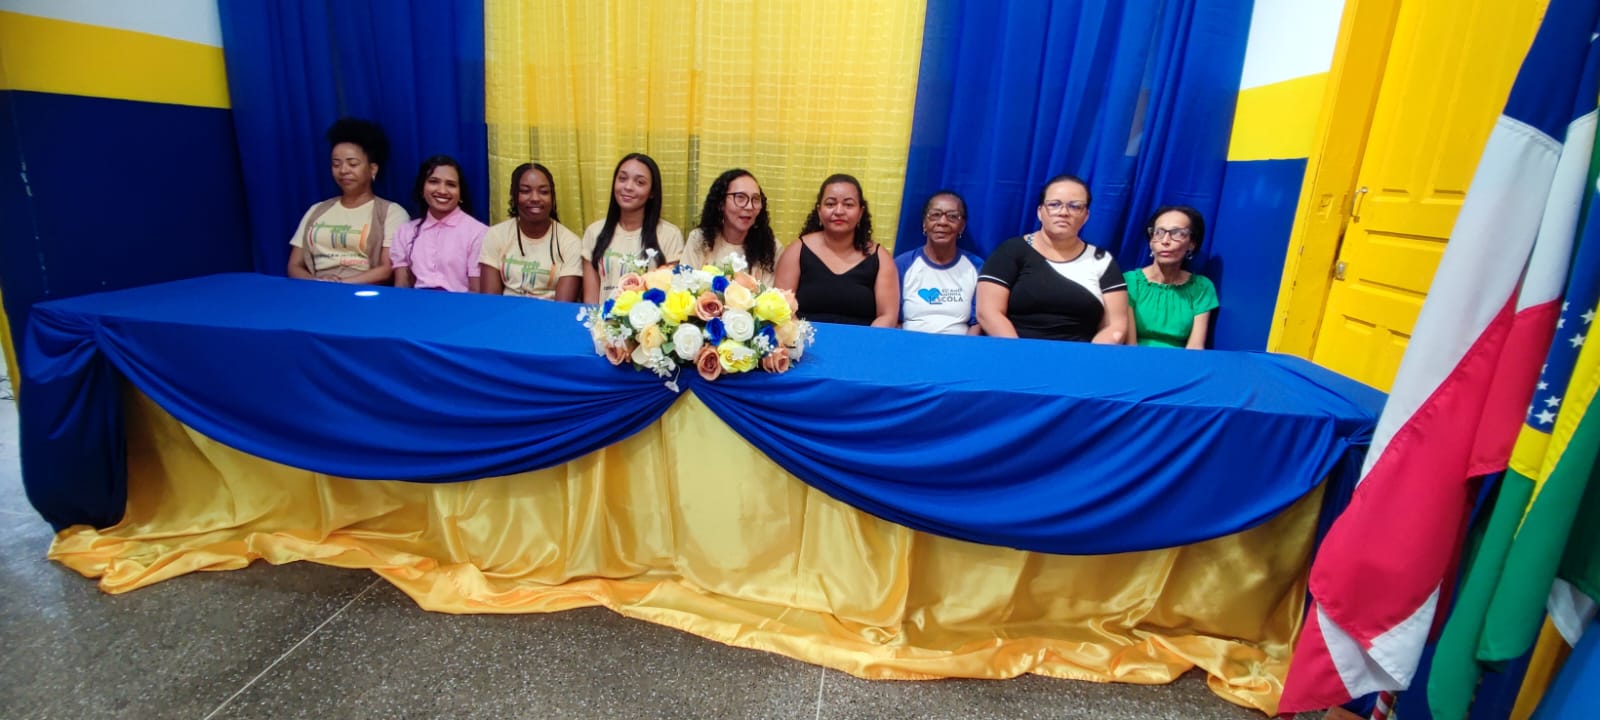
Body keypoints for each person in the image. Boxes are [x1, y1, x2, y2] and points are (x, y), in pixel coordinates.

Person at [976, 174, 1130, 343]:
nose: (1063, 212)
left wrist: (1090, 356)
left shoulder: (1101, 260)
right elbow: (988, 312)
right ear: (1040, 212)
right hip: (1015, 351)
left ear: (1086, 216)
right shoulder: (1010, 251)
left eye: (1075, 206)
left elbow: (1115, 325)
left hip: (1080, 355)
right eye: (1054, 205)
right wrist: (1019, 351)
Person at [287, 118, 410, 283]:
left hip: (363, 291)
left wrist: (340, 285)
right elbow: (294, 265)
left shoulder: (391, 213)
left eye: (352, 164)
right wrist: (318, 283)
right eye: (336, 164)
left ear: (373, 169)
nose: (343, 170)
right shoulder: (316, 210)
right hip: (316, 289)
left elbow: (386, 269)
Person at [774, 174, 899, 327]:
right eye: (830, 204)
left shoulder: (880, 257)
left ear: (860, 212)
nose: (839, 211)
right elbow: (781, 307)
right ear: (819, 211)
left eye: (848, 205)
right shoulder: (796, 251)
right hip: (804, 339)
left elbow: (887, 316)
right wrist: (800, 337)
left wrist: (865, 340)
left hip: (862, 340)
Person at [582, 153, 685, 303]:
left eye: (640, 182)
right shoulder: (594, 232)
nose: (628, 187)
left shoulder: (670, 235)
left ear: (652, 192)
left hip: (648, 317)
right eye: (622, 179)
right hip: (602, 316)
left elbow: (669, 298)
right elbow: (590, 302)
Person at [479, 163, 582, 301]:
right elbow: (491, 301)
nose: (535, 198)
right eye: (525, 191)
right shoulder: (496, 235)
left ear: (553, 198)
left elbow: (562, 306)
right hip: (506, 312)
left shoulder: (570, 243)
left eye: (544, 192)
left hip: (550, 314)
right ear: (513, 195)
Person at [1125, 205, 1219, 348]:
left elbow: (1195, 347)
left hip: (1182, 360)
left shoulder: (1201, 287)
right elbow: (1129, 346)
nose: (1165, 241)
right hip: (1135, 358)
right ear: (1151, 241)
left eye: (1177, 233)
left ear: (1192, 244)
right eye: (1159, 233)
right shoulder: (1130, 282)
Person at [391, 155, 488, 292]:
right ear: (421, 189)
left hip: (461, 304)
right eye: (434, 182)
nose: (442, 191)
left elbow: (476, 292)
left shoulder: (478, 233)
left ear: (460, 193)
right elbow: (402, 288)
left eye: (451, 184)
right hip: (416, 303)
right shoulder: (405, 232)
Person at [895, 191, 984, 335]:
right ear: (924, 223)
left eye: (952, 216)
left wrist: (966, 346)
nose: (942, 222)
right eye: (935, 215)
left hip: (959, 345)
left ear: (962, 226)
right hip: (910, 344)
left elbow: (977, 322)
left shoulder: (976, 266)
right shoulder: (902, 265)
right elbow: (893, 319)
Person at [683, 169, 778, 283]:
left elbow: (772, 293)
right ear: (721, 203)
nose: (749, 206)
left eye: (756, 199)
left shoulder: (770, 247)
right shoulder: (699, 239)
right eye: (740, 197)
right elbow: (684, 285)